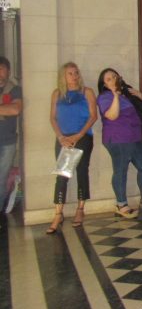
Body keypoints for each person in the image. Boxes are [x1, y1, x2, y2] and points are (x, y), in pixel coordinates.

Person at [47, 62, 96, 233]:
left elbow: (93, 116)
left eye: (76, 72)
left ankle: (80, 209)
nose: (74, 76)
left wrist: (79, 135)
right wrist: (61, 137)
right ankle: (58, 213)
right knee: (62, 175)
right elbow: (52, 118)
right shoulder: (57, 94)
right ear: (63, 76)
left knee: (82, 171)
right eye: (70, 73)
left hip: (82, 137)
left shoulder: (86, 92)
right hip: (64, 138)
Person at [96, 68, 142, 218]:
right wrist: (114, 95)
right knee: (121, 170)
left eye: (114, 76)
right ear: (104, 84)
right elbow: (112, 115)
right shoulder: (104, 97)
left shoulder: (126, 95)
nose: (113, 79)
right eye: (108, 79)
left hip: (134, 137)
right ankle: (121, 205)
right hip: (118, 138)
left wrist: (139, 96)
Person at [0, 56, 22, 223]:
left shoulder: (14, 89)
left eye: (2, 69)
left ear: (8, 71)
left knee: (1, 178)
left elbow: (15, 109)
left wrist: (6, 109)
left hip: (6, 141)